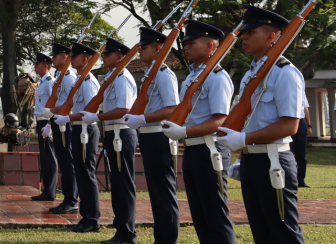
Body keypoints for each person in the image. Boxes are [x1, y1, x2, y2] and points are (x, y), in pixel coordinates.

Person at [217, 6, 306, 244]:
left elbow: (290, 126)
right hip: (251, 160)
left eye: (250, 32)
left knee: (283, 233)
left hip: (273, 161)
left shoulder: (285, 73)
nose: (243, 37)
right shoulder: (252, 73)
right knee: (261, 232)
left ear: (271, 37)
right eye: (243, 32)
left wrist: (244, 139)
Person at [162, 20, 235, 244]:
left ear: (210, 47)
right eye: (185, 43)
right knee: (200, 214)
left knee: (215, 213)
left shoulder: (217, 77)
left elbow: (220, 120)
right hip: (193, 149)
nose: (185, 47)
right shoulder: (193, 77)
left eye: (192, 43)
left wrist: (185, 130)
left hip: (210, 149)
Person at [122, 26, 181, 244]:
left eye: (144, 47)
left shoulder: (165, 74)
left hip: (159, 136)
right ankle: (161, 239)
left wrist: (144, 119)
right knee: (156, 193)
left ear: (158, 49)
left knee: (164, 193)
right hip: (148, 136)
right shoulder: (151, 74)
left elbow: (172, 108)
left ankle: (168, 240)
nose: (139, 51)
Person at [80, 38, 137, 244]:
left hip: (122, 132)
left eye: (108, 54)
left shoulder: (122, 78)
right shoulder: (113, 77)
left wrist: (96, 117)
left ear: (120, 57)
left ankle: (127, 233)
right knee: (117, 184)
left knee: (123, 184)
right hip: (113, 133)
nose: (103, 57)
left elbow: (124, 110)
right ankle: (121, 230)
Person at [54, 42, 101, 233]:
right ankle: (86, 217)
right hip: (78, 129)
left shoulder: (89, 82)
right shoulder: (80, 80)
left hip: (86, 130)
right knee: (81, 174)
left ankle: (92, 219)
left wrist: (67, 117)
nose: (71, 60)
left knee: (87, 174)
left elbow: (89, 111)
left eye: (74, 57)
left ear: (85, 59)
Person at [45, 43, 78, 213]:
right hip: (59, 122)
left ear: (65, 57)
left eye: (55, 56)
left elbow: (70, 103)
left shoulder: (69, 77)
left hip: (66, 123)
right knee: (63, 161)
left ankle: (71, 199)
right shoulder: (61, 76)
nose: (52, 59)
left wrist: (53, 112)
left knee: (67, 161)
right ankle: (68, 198)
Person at [30, 52, 57, 202]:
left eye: (37, 64)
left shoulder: (50, 82)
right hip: (42, 121)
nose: (35, 66)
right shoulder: (42, 82)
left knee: (49, 157)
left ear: (45, 66)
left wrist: (49, 125)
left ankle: (50, 190)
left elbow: (53, 104)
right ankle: (47, 189)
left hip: (48, 122)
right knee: (45, 157)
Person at [289, 95, 311, 188]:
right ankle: (289, 179)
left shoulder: (301, 93)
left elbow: (305, 108)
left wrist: (309, 125)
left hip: (301, 122)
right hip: (289, 121)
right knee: (289, 153)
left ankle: (300, 180)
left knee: (301, 154)